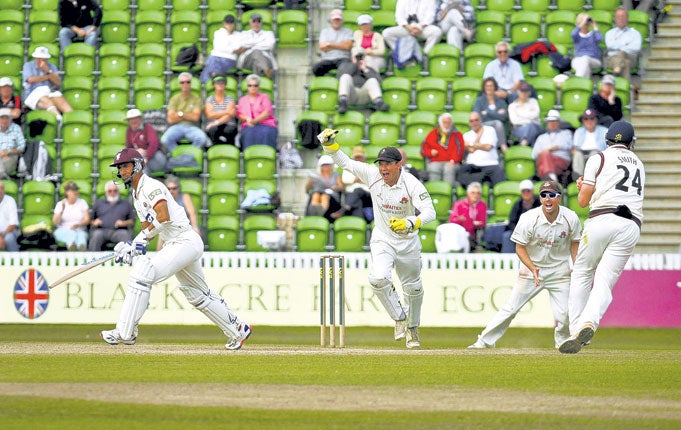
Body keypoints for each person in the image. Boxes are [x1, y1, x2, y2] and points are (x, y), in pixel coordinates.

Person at [101, 148, 252, 349]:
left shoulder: (151, 186)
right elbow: (148, 230)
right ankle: (238, 329)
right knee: (197, 294)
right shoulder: (136, 195)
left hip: (184, 241)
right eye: (119, 168)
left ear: (137, 166)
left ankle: (125, 332)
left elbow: (163, 218)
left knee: (141, 274)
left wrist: (138, 239)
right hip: (178, 244)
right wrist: (131, 247)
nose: (121, 172)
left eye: (125, 166)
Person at [318, 129, 436, 348]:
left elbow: (430, 211)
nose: (383, 168)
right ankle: (400, 318)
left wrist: (411, 222)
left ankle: (413, 329)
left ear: (398, 164)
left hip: (408, 242)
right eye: (380, 164)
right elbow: (345, 162)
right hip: (383, 239)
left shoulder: (411, 183)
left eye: (388, 164)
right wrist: (330, 145)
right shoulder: (372, 175)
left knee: (413, 288)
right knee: (378, 278)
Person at [559, 120, 645, 354]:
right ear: (631, 142)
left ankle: (576, 328)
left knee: (582, 272)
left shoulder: (599, 158)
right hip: (630, 226)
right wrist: (591, 187)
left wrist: (583, 187)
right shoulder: (639, 164)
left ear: (607, 139)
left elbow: (584, 200)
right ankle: (589, 323)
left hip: (602, 218)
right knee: (605, 280)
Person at [469, 181, 582, 349]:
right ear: (540, 198)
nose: (547, 199)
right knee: (511, 308)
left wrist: (577, 267)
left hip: (559, 271)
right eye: (544, 195)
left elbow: (575, 243)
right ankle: (484, 342)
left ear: (558, 198)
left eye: (551, 195)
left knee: (564, 314)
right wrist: (532, 267)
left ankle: (562, 342)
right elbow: (519, 247)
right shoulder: (529, 218)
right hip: (531, 271)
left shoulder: (570, 217)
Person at [22, 46, 73, 122]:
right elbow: (30, 79)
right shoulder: (28, 66)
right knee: (45, 99)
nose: (41, 60)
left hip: (50, 91)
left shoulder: (52, 66)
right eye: (39, 58)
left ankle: (71, 119)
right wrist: (48, 77)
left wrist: (48, 70)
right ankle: (59, 118)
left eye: (43, 59)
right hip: (33, 93)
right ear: (36, 58)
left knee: (60, 100)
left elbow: (58, 83)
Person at [161, 72, 208, 153]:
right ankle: (179, 155)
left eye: (188, 82)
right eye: (182, 82)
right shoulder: (174, 99)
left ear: (190, 84)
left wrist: (180, 114)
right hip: (176, 127)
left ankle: (190, 155)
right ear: (179, 84)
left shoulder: (196, 99)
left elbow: (195, 118)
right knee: (164, 140)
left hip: (192, 127)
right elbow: (170, 119)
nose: (185, 84)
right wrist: (188, 115)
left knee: (202, 139)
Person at [458, 111, 505, 188]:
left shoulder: (490, 130)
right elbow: (471, 150)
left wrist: (471, 144)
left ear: (481, 120)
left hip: (490, 164)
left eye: (476, 120)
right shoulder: (466, 135)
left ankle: (480, 181)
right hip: (473, 165)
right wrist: (478, 139)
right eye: (471, 121)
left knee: (499, 180)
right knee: (461, 172)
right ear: (469, 123)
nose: (474, 123)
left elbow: (488, 147)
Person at [337, 48, 390, 114]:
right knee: (345, 77)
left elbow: (378, 82)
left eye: (361, 57)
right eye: (357, 56)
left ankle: (379, 103)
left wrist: (365, 70)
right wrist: (355, 64)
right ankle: (342, 102)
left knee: (372, 80)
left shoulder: (369, 68)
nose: (359, 59)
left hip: (365, 95)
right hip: (351, 95)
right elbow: (340, 78)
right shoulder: (345, 66)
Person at [420, 112, 465, 186]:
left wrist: (453, 160)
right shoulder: (432, 133)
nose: (447, 124)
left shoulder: (457, 134)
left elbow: (460, 150)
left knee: (449, 169)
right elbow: (423, 149)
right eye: (444, 122)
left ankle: (447, 192)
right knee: (434, 168)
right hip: (435, 161)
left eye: (448, 122)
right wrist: (430, 152)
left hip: (452, 162)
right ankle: (434, 191)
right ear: (440, 123)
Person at [88, 181, 135, 251]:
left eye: (115, 191)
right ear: (106, 192)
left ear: (118, 191)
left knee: (125, 236)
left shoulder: (126, 204)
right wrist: (94, 222)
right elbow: (90, 220)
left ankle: (129, 259)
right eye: (110, 191)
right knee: (96, 235)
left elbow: (132, 220)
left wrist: (123, 223)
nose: (112, 193)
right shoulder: (98, 203)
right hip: (102, 230)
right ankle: (93, 259)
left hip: (119, 231)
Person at [236, 74, 278, 151]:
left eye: (255, 85)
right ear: (247, 87)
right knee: (248, 134)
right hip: (248, 125)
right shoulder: (242, 100)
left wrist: (254, 121)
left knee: (266, 133)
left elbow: (267, 112)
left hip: (266, 124)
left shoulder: (264, 97)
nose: (253, 87)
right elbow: (240, 114)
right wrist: (247, 119)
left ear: (259, 87)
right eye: (250, 85)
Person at [532, 109, 574, 183]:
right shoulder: (541, 137)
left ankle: (549, 177)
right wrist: (545, 153)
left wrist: (553, 148)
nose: (552, 123)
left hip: (561, 161)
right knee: (545, 155)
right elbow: (534, 154)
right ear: (547, 123)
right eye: (550, 121)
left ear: (559, 122)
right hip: (544, 159)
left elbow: (569, 145)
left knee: (543, 162)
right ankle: (552, 178)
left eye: (555, 121)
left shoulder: (566, 133)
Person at [333, 146, 373, 222]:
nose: (358, 159)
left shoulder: (370, 168)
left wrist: (355, 180)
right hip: (351, 195)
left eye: (360, 157)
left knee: (358, 190)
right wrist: (360, 179)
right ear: (353, 158)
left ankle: (343, 210)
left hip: (367, 196)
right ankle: (359, 224)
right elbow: (345, 180)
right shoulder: (348, 168)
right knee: (357, 201)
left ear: (364, 158)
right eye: (356, 157)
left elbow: (373, 181)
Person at [501, 179, 540, 254]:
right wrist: (519, 232)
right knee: (507, 236)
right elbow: (511, 222)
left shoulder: (539, 203)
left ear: (532, 191)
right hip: (520, 232)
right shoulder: (517, 204)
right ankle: (509, 260)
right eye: (523, 191)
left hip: (537, 231)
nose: (526, 193)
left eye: (528, 191)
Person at [200, 14, 240, 84]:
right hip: (216, 57)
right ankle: (214, 77)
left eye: (231, 23)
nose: (230, 25)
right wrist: (231, 49)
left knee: (212, 62)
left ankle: (206, 83)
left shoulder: (238, 35)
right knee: (213, 60)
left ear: (234, 24)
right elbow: (219, 47)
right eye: (228, 23)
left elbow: (237, 48)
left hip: (229, 60)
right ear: (224, 24)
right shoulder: (218, 33)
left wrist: (227, 43)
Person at [125, 108, 167, 174]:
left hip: (155, 157)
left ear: (140, 119)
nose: (133, 121)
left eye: (135, 118)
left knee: (139, 164)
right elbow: (129, 147)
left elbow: (153, 144)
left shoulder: (148, 128)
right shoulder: (129, 131)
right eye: (131, 119)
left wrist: (146, 155)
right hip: (141, 159)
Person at [605, 8, 642, 81]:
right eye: (618, 17)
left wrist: (619, 48)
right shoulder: (609, 33)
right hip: (612, 58)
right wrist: (626, 45)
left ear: (627, 18)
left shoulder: (635, 33)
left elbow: (636, 48)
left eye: (623, 16)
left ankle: (617, 69)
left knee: (623, 54)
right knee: (626, 63)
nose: (621, 19)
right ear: (615, 19)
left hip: (631, 57)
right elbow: (610, 46)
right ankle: (627, 89)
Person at [473, 77, 509, 152]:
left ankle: (501, 146)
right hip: (483, 125)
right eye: (487, 86)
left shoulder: (501, 102)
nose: (489, 88)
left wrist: (487, 112)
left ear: (495, 87)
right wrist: (496, 114)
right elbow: (477, 117)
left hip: (498, 128)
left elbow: (504, 117)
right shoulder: (479, 101)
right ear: (484, 88)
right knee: (497, 123)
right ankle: (503, 146)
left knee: (498, 124)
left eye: (491, 86)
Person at [313, 9, 353, 77]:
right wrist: (341, 45)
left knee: (344, 71)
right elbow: (322, 47)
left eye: (338, 19)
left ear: (342, 20)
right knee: (316, 69)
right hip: (327, 58)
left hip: (343, 58)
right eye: (335, 19)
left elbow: (347, 47)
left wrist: (330, 44)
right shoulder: (325, 32)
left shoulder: (348, 31)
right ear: (331, 20)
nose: (336, 21)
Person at [235, 13, 276, 78]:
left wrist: (251, 45)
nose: (256, 24)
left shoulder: (268, 34)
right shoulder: (244, 33)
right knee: (256, 52)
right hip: (247, 59)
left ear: (261, 23)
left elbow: (270, 45)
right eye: (254, 22)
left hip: (265, 58)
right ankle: (267, 72)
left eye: (258, 22)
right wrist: (260, 42)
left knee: (256, 62)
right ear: (250, 23)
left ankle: (257, 80)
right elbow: (241, 44)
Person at [52, 181, 90, 251]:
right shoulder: (60, 204)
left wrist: (79, 224)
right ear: (67, 192)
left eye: (76, 190)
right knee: (71, 234)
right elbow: (55, 222)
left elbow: (87, 219)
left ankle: (81, 248)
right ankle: (71, 246)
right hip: (63, 230)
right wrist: (61, 211)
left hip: (80, 230)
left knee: (81, 236)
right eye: (73, 190)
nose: (75, 192)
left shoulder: (82, 202)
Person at [449, 181, 486, 249]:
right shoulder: (459, 204)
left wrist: (467, 221)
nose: (476, 195)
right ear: (468, 193)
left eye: (478, 193)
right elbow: (452, 220)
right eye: (473, 193)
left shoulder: (482, 205)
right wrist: (471, 222)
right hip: (460, 232)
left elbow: (482, 222)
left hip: (474, 233)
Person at [572, 108, 607, 180]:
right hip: (582, 153)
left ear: (596, 120)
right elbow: (574, 148)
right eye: (586, 119)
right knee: (577, 154)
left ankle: (592, 178)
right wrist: (574, 152)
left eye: (592, 118)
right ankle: (579, 178)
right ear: (583, 121)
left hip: (598, 154)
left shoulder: (604, 130)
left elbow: (608, 148)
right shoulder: (579, 131)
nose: (589, 121)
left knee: (594, 154)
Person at [305, 155, 343, 220]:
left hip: (332, 196)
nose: (326, 166)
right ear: (321, 166)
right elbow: (307, 190)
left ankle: (320, 214)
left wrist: (335, 187)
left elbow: (341, 187)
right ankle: (314, 211)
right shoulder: (315, 176)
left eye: (328, 165)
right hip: (318, 192)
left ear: (331, 165)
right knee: (315, 195)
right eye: (324, 165)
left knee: (325, 196)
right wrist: (309, 183)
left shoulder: (336, 175)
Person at [204, 76, 238, 147]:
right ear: (214, 85)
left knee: (229, 131)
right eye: (217, 83)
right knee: (213, 130)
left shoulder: (230, 99)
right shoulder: (209, 99)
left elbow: (229, 115)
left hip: (228, 124)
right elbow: (210, 115)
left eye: (222, 83)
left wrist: (216, 122)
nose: (220, 84)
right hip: (212, 125)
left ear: (225, 85)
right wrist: (226, 111)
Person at [508, 81, 543, 147]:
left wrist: (520, 115)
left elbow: (535, 114)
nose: (524, 93)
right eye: (522, 91)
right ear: (518, 92)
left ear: (529, 92)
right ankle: (530, 146)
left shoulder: (533, 101)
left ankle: (524, 144)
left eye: (526, 91)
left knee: (531, 126)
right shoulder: (512, 106)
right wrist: (529, 118)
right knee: (530, 129)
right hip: (520, 128)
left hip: (536, 126)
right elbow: (514, 121)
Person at [571, 13, 603, 78]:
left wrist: (595, 26)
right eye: (584, 22)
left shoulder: (593, 34)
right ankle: (584, 84)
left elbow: (600, 38)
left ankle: (578, 81)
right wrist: (582, 22)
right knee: (585, 65)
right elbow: (573, 34)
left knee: (585, 59)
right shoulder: (577, 35)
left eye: (586, 22)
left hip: (594, 60)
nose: (585, 24)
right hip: (578, 60)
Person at [0, 108, 25, 179]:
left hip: (11, 156)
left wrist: (8, 152)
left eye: (7, 118)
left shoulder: (16, 128)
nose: (4, 121)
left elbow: (22, 147)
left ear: (11, 119)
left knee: (4, 163)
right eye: (2, 118)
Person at [0, 181, 19, 252]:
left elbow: (13, 224)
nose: (0, 191)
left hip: (8, 232)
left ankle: (16, 260)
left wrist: (1, 236)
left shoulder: (10, 201)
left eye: (2, 188)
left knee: (9, 238)